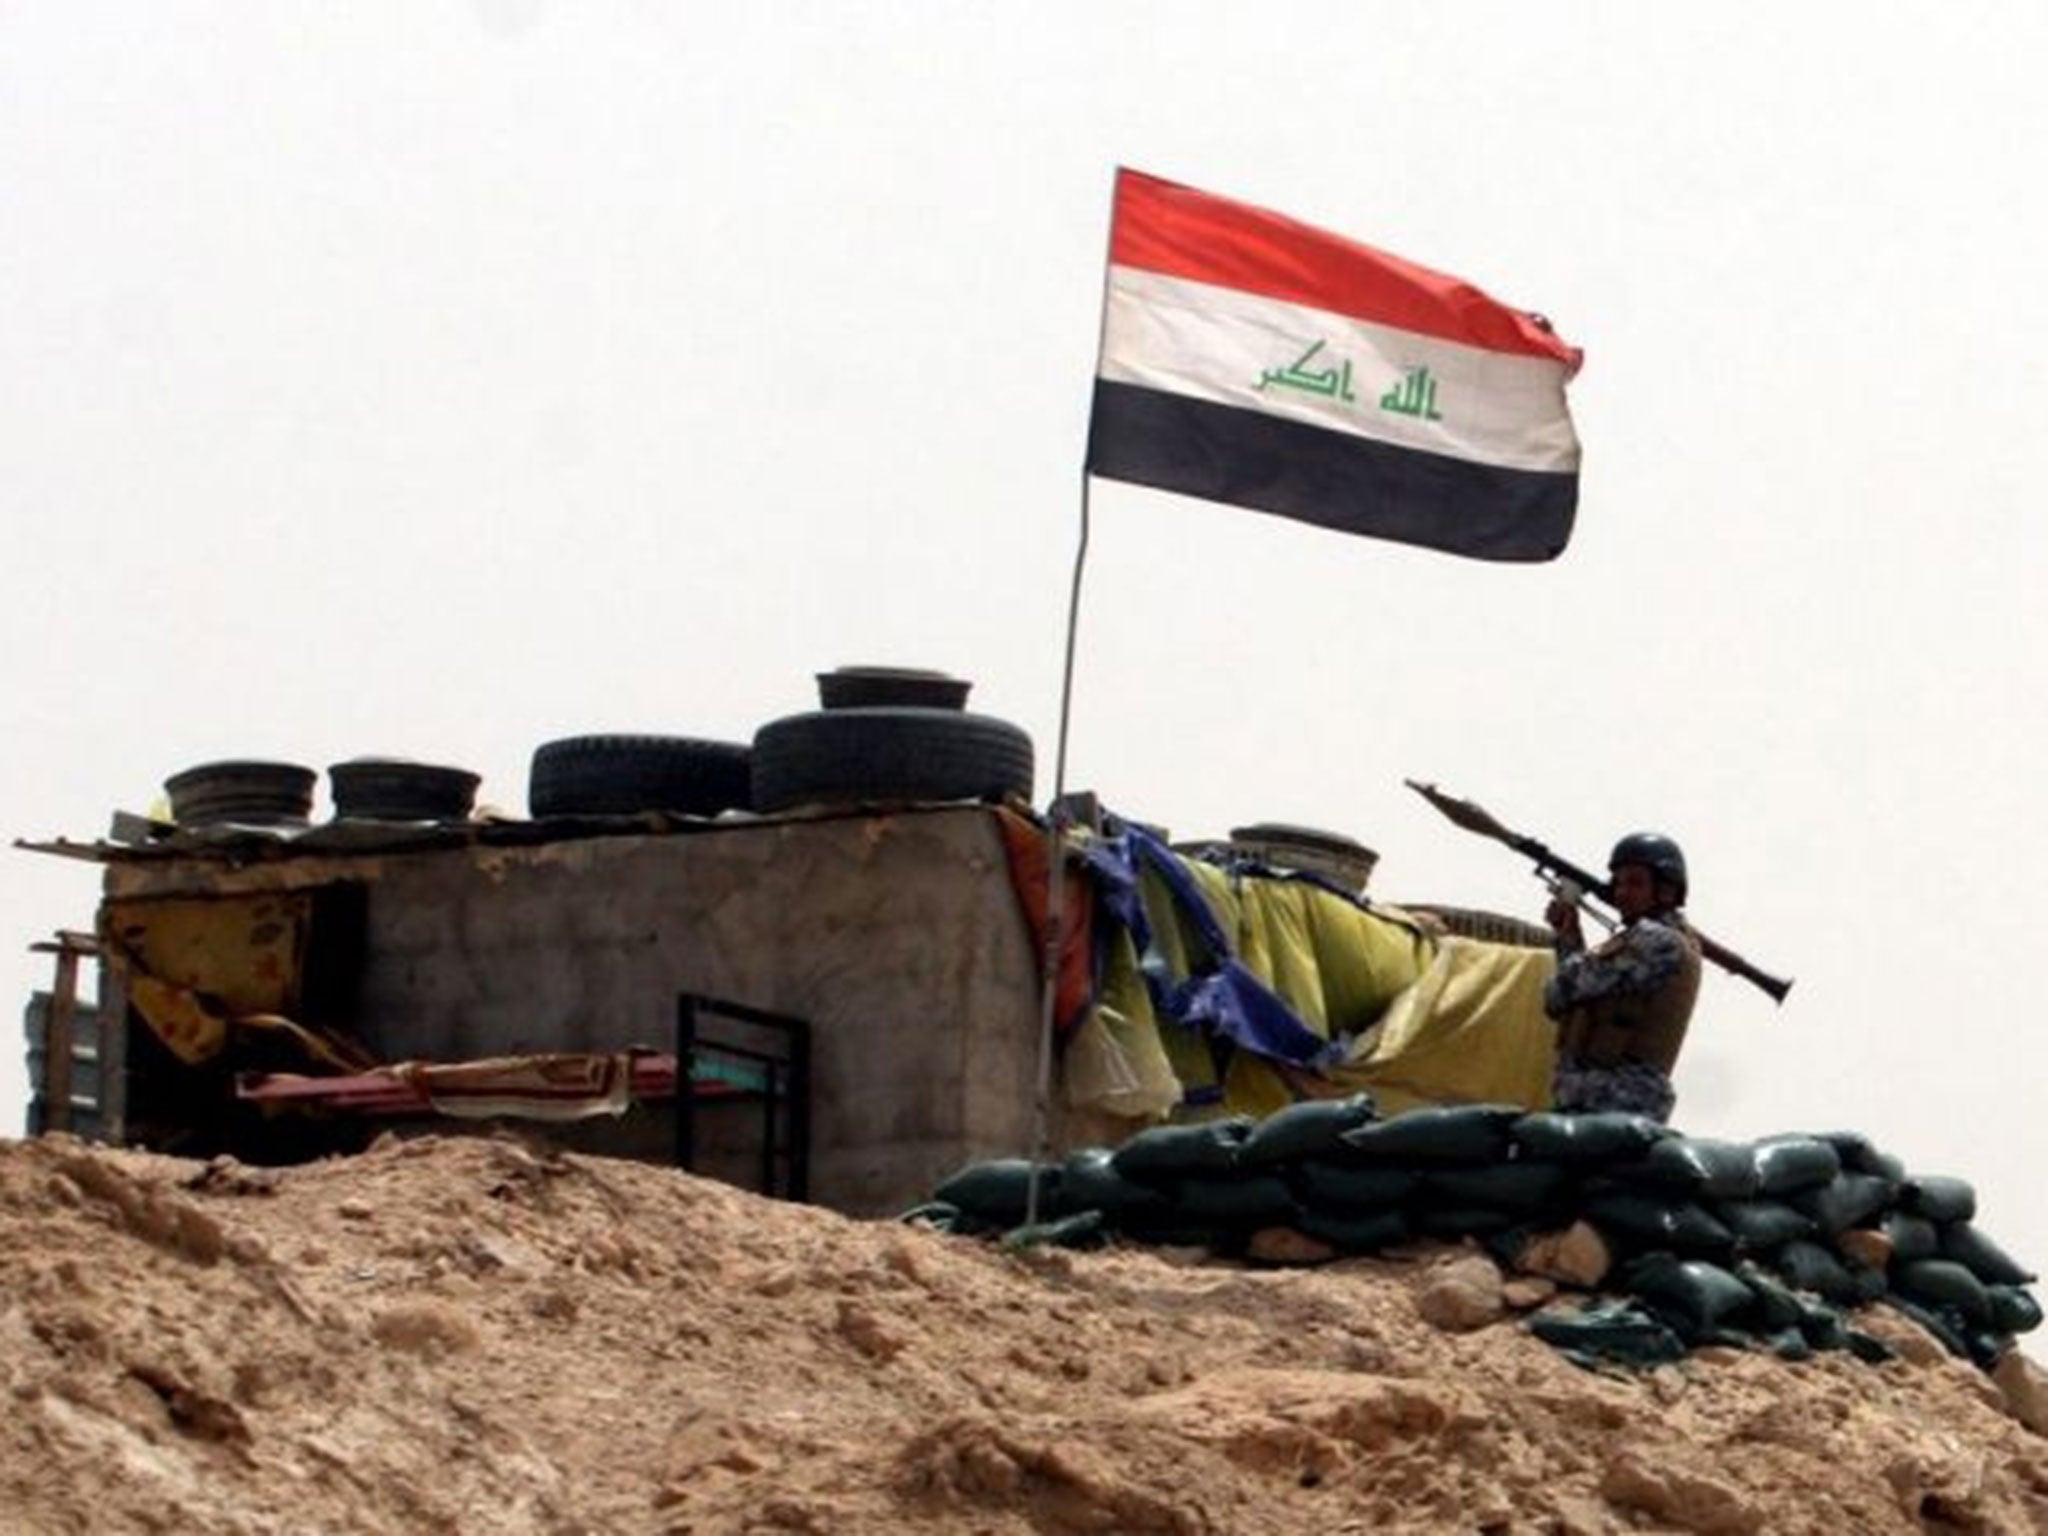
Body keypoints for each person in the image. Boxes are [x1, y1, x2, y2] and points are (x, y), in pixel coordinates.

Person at [1540, 832, 1702, 1122]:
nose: (1622, 893)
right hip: (1600, 1102)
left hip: (1614, 1103)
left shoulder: (1656, 941)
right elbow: (1576, 994)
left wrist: (1568, 944)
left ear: (1665, 891)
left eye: (1635, 883)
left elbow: (1558, 992)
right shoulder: (1656, 940)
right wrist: (1568, 937)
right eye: (1619, 883)